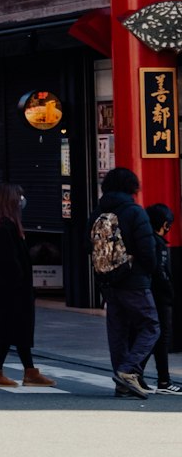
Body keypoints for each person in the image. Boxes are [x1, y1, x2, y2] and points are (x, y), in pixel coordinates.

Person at [88, 165, 159, 399]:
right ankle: (128, 371)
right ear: (131, 187)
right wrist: (148, 273)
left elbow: (87, 247)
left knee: (118, 331)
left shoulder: (97, 212)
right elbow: (147, 249)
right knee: (150, 325)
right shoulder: (134, 212)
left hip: (107, 282)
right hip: (134, 281)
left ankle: (122, 383)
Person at [0, 183, 55, 388]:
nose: (22, 201)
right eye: (19, 197)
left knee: (15, 331)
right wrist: (22, 285)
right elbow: (10, 262)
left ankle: (21, 371)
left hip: (9, 290)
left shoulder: (3, 225)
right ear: (11, 201)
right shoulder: (6, 226)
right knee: (13, 329)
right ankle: (4, 372)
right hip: (12, 291)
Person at [142, 203, 180, 393]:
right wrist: (171, 294)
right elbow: (162, 273)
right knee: (160, 338)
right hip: (161, 299)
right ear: (164, 224)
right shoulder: (158, 245)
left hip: (148, 295)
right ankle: (162, 380)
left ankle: (138, 375)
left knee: (152, 336)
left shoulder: (148, 242)